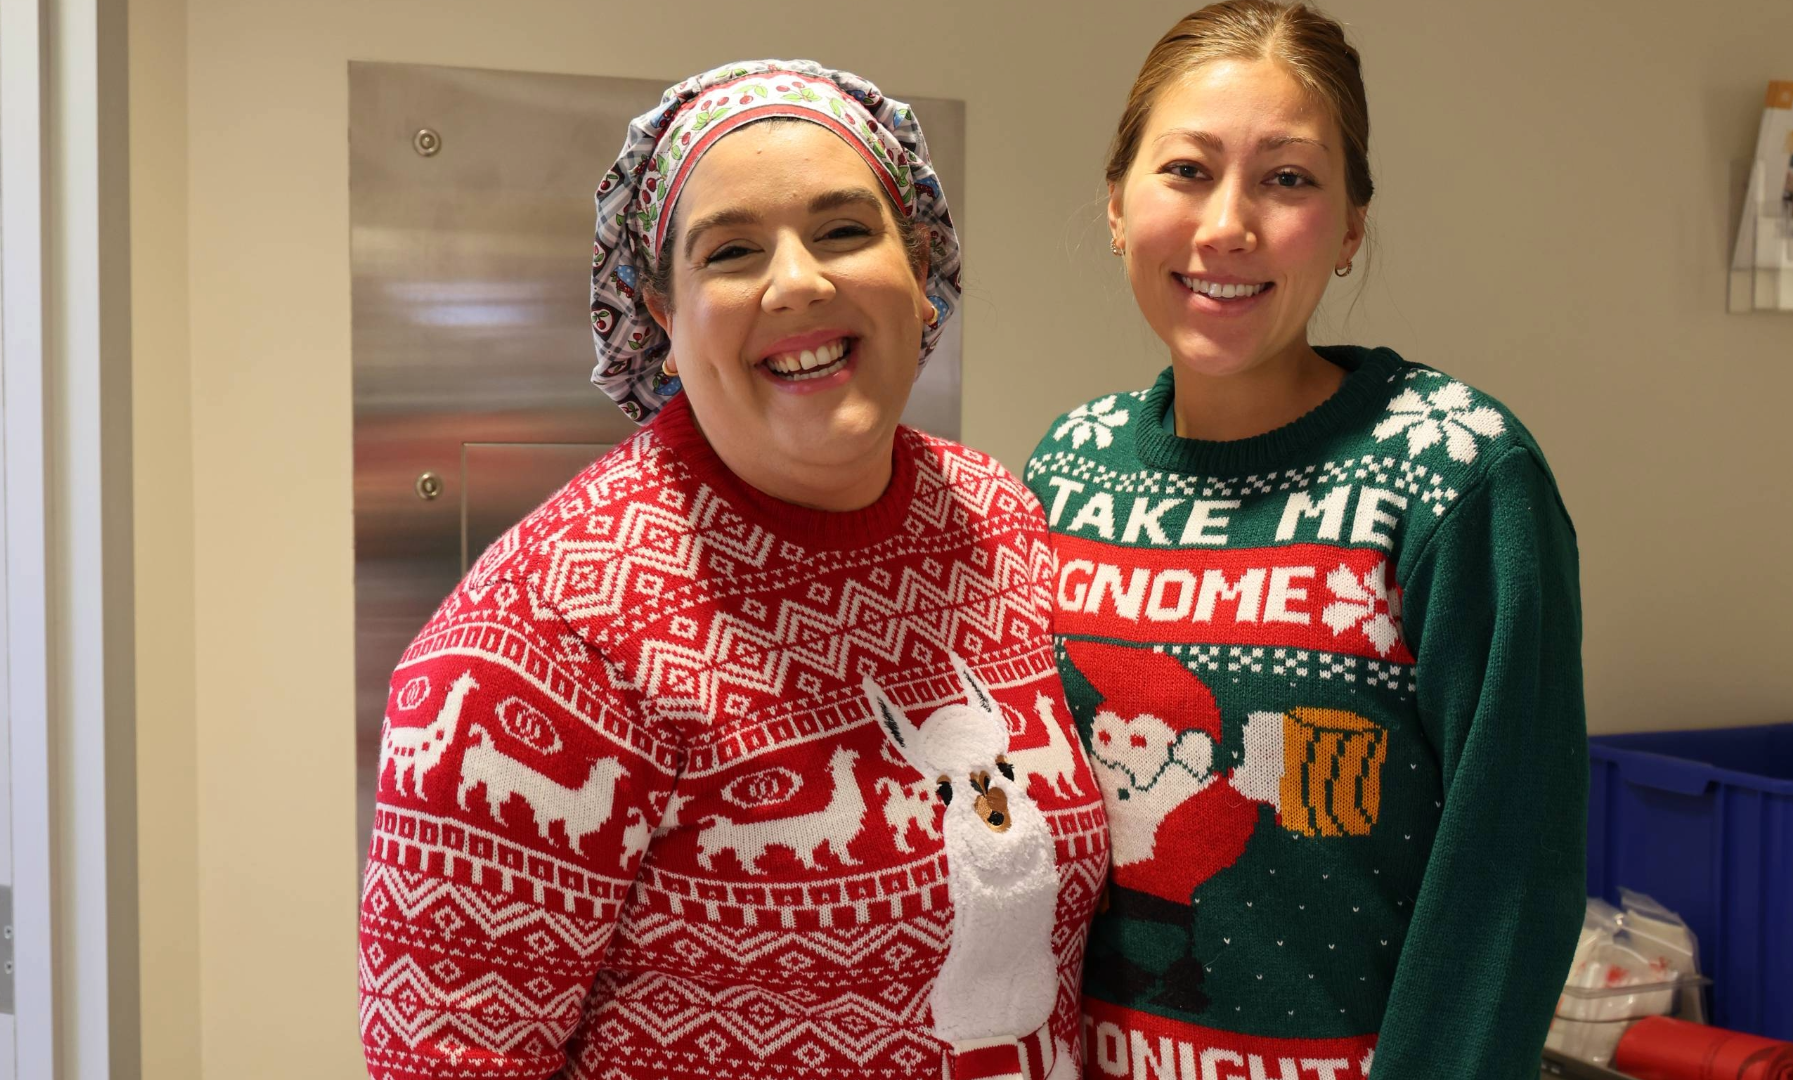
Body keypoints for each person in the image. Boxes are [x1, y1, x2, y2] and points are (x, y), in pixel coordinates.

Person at [359, 59, 1107, 1080]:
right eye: (732, 251)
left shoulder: (999, 523)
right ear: (661, 315)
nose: (797, 280)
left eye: (845, 231)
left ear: (921, 269)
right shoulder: (541, 638)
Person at [1024, 5, 1587, 1078]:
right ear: (1116, 203)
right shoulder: (1068, 463)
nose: (1227, 224)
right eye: (1186, 170)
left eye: (1288, 179)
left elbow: (1511, 876)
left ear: (1351, 225)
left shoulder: (1456, 471)